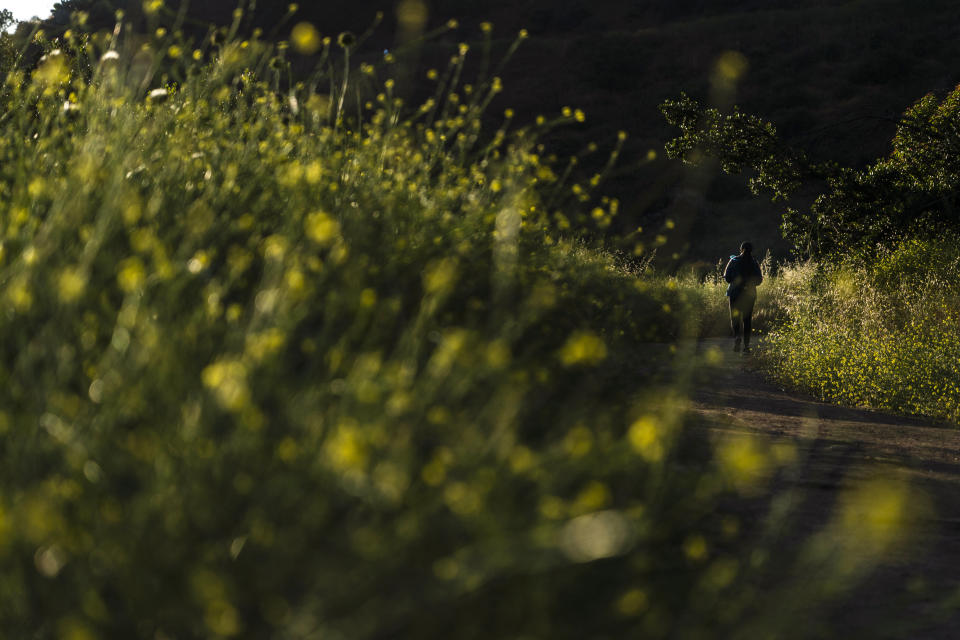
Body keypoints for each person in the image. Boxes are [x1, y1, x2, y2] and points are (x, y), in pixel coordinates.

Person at [723, 242, 763, 354]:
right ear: (751, 250)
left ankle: (737, 338)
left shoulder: (733, 260)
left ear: (741, 249)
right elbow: (759, 280)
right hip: (749, 294)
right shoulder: (754, 263)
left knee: (735, 318)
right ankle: (746, 347)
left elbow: (727, 278)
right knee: (747, 320)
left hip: (735, 293)